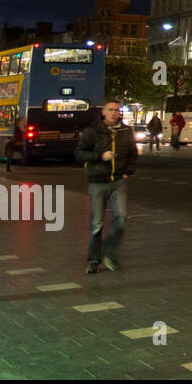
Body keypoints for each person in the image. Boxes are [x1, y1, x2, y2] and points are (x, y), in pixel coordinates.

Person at [75, 99, 137, 274]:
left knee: (122, 218)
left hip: (118, 181)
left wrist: (128, 172)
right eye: (110, 110)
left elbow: (133, 153)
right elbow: (79, 153)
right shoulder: (92, 131)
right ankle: (94, 259)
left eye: (117, 110)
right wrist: (101, 156)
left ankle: (110, 254)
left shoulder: (125, 131)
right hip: (97, 181)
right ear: (103, 112)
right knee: (96, 223)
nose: (114, 113)